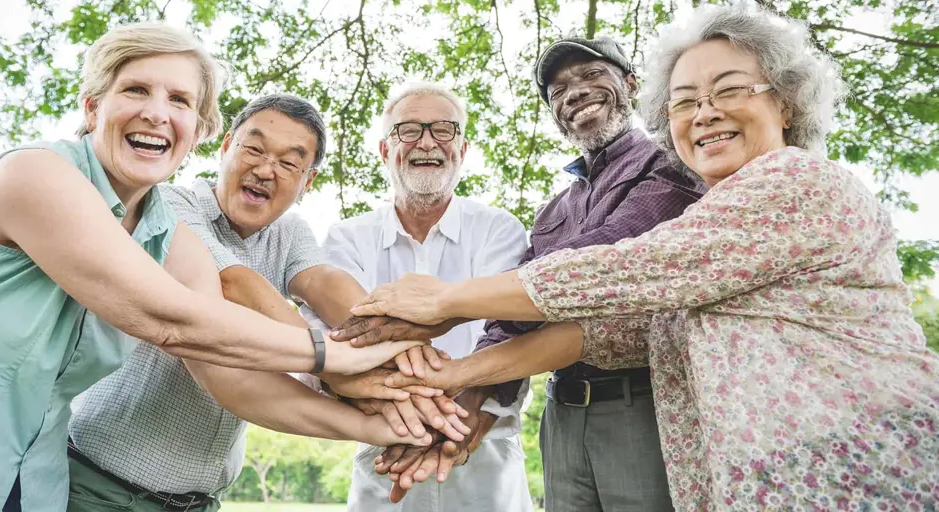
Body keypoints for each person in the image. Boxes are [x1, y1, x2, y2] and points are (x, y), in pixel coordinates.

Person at [352, 5, 939, 510]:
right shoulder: (567, 206)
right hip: (732, 465)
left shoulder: (790, 181)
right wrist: (460, 381)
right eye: (686, 101)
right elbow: (615, 331)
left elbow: (625, 270)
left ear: (785, 104)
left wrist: (447, 301)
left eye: (730, 90)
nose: (705, 112)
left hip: (852, 464)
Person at [0, 23, 420, 512]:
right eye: (136, 90)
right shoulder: (36, 173)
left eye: (179, 101)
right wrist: (331, 356)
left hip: (34, 480)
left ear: (198, 130)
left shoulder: (162, 232)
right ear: (93, 107)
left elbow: (225, 367)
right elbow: (174, 319)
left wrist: (391, 422)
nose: (157, 114)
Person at [345, 37, 706, 510]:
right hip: (561, 412)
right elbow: (513, 317)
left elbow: (601, 259)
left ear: (631, 85)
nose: (575, 92)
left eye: (592, 75)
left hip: (640, 401)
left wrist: (446, 306)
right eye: (558, 89)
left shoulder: (670, 164)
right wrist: (470, 406)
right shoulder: (555, 210)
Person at [66, 93, 438, 512]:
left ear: (307, 181)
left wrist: (406, 367)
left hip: (198, 502)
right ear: (225, 147)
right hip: (99, 488)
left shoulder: (290, 232)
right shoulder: (166, 205)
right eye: (254, 149)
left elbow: (323, 283)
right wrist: (339, 372)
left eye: (289, 163)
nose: (265, 170)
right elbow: (232, 285)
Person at [307, 83, 533, 511]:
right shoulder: (346, 238)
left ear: (462, 150)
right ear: (384, 150)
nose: (427, 141)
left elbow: (508, 327)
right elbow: (340, 337)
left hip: (487, 453)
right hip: (386, 451)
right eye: (408, 130)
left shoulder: (499, 229)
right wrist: (417, 417)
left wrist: (470, 412)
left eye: (444, 130)